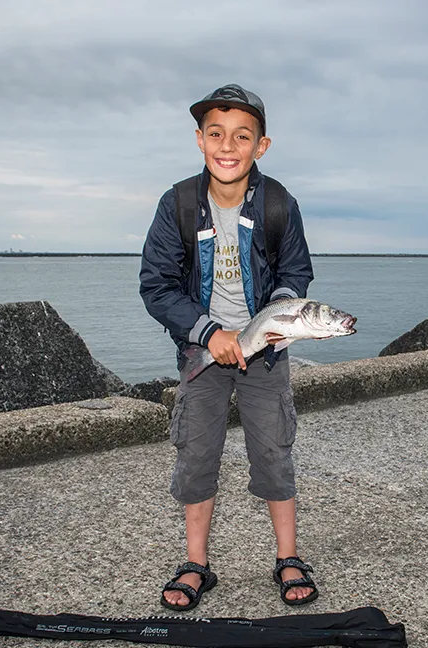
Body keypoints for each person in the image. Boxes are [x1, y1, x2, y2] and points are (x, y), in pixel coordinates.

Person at [139, 84, 318, 611]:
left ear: (261, 146)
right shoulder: (177, 204)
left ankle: (288, 557)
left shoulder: (279, 203)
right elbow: (157, 285)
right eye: (216, 134)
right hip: (202, 352)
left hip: (265, 353)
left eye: (242, 136)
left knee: (273, 450)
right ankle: (196, 563)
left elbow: (295, 273)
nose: (227, 146)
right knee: (197, 452)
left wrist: (278, 318)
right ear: (199, 140)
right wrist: (207, 333)